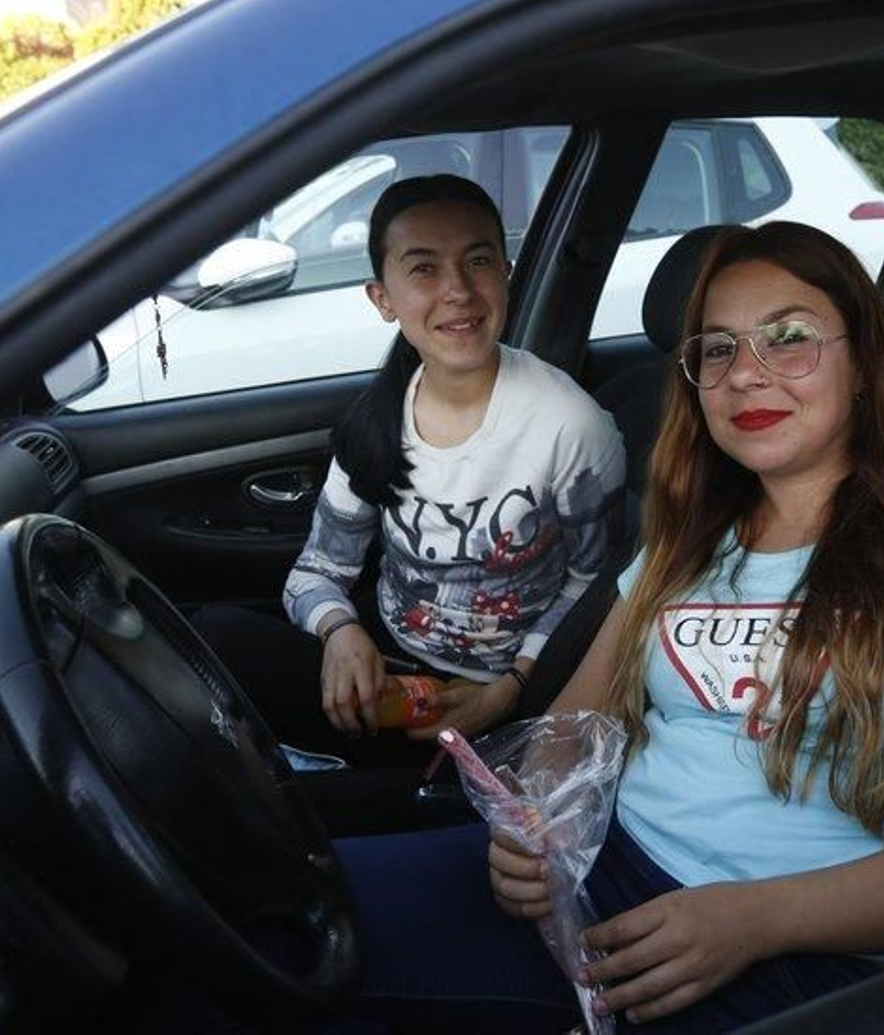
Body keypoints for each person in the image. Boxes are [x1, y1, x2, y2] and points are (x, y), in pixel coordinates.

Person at [328, 220, 884, 1031]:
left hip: (808, 952)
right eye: (718, 350)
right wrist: (540, 826)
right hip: (603, 877)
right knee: (286, 920)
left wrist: (759, 918)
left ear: (865, 361)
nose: (746, 377)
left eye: (789, 338)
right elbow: (578, 721)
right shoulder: (689, 537)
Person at [199, 174, 626, 763]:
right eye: (423, 268)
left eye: (478, 260)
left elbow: (594, 589)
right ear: (383, 298)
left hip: (514, 686)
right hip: (391, 667)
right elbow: (318, 569)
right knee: (214, 637)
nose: (457, 291)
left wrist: (505, 693)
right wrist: (340, 633)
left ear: (505, 273)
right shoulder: (376, 419)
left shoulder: (571, 425)